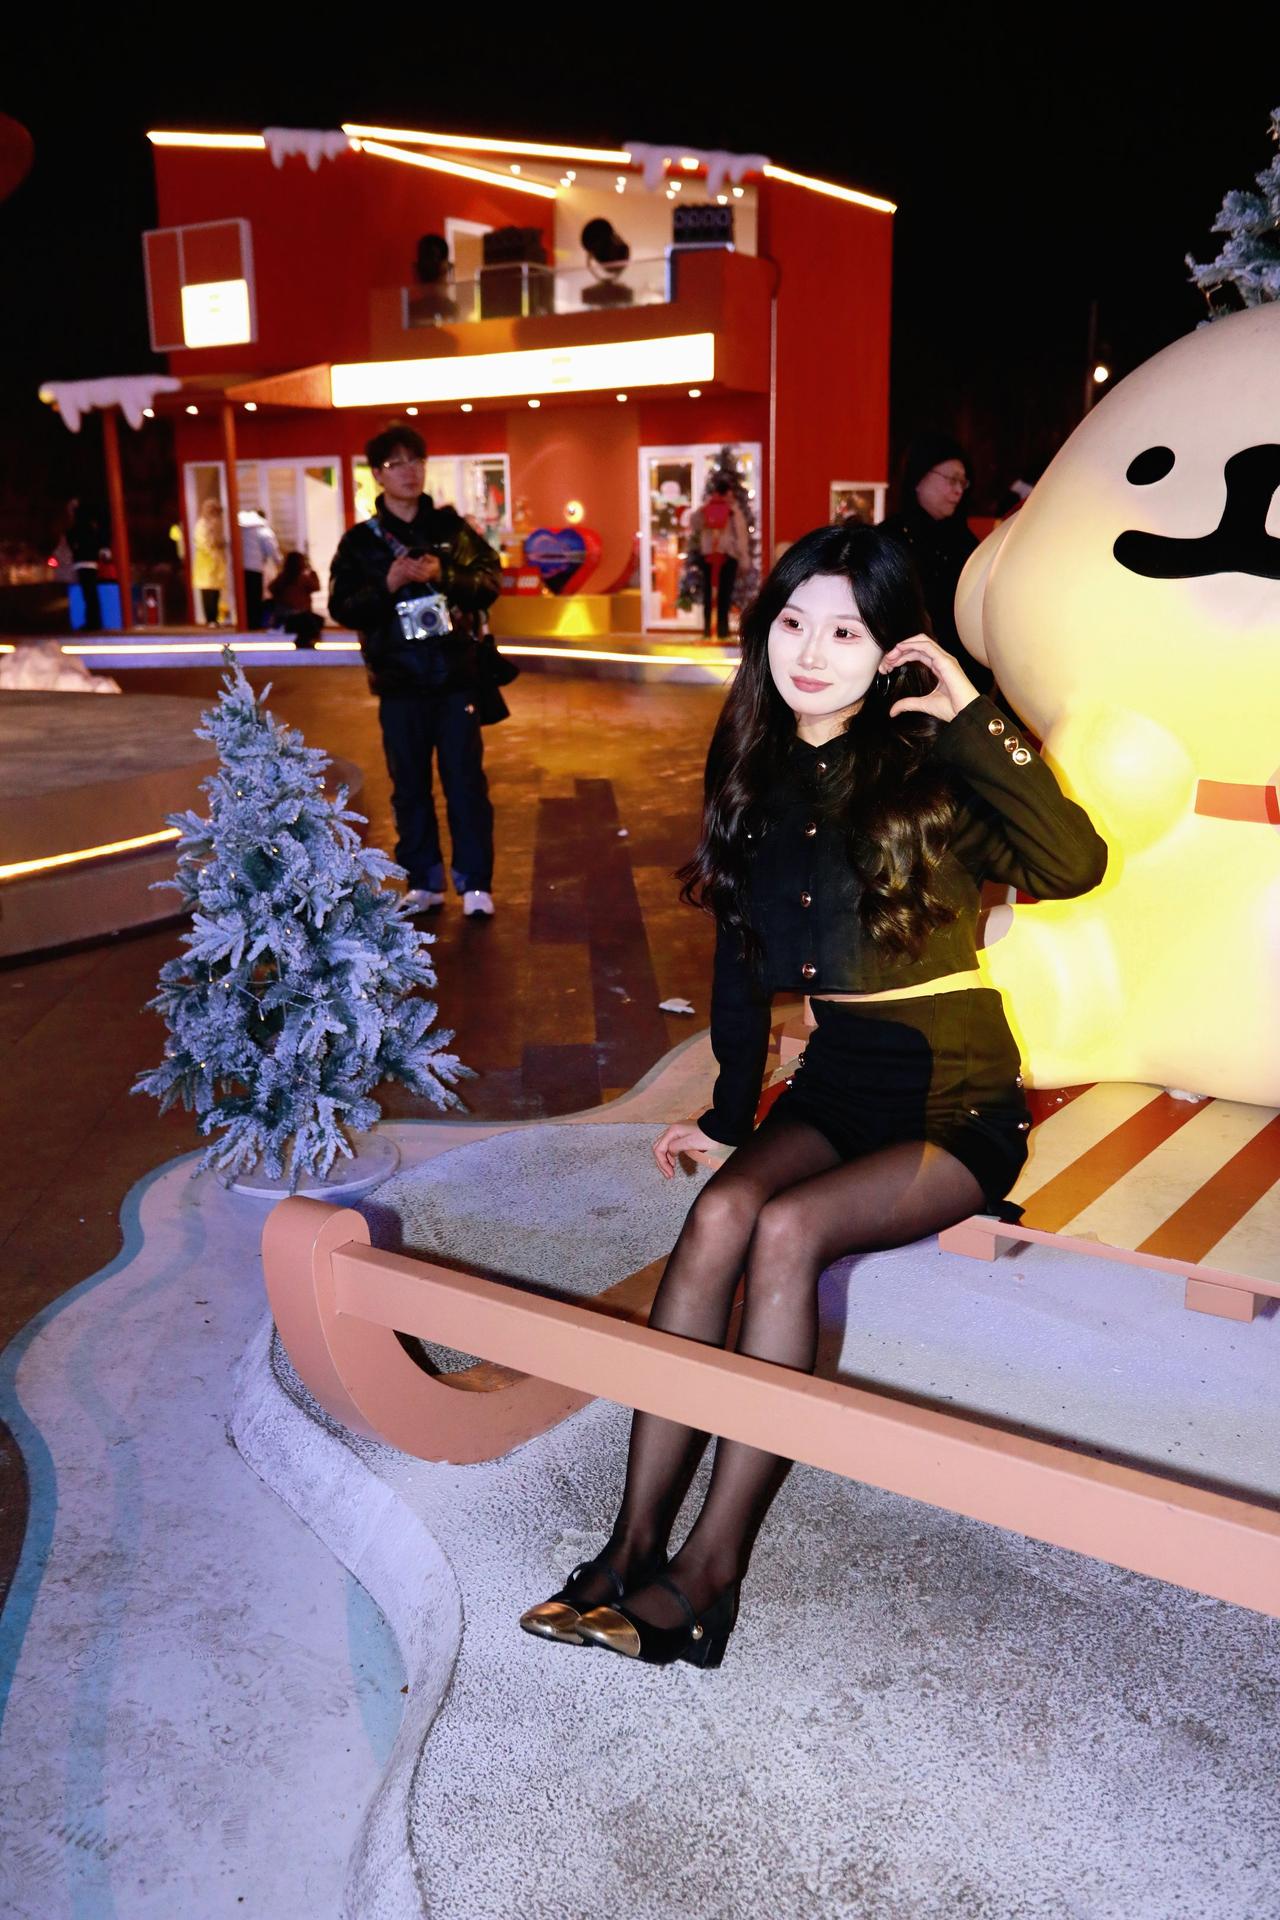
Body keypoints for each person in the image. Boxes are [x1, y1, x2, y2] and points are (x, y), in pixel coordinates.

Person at [520, 522, 1107, 1669]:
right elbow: (739, 960)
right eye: (791, 622)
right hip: (838, 1080)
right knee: (720, 1217)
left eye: (844, 631)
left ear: (888, 648)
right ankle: (629, 1547)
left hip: (954, 1097)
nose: (809, 650)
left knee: (786, 1231)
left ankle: (708, 1578)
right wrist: (728, 1116)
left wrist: (968, 711)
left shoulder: (930, 764)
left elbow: (1070, 863)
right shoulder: (754, 769)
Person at [329, 423, 503, 917]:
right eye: (395, 463)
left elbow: (490, 581)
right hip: (399, 683)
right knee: (408, 786)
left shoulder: (451, 531)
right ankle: (424, 882)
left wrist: (444, 574)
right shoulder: (360, 543)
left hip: (455, 678)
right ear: (378, 475)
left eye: (415, 461)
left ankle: (475, 885)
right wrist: (386, 584)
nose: (408, 471)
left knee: (465, 783)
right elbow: (342, 606)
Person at [880, 434, 990, 691]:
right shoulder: (888, 539)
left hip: (963, 676)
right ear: (919, 478)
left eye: (963, 482)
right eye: (952, 479)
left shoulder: (965, 541)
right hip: (905, 675)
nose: (958, 491)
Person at [690, 474, 751, 639]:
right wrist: (743, 557)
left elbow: (740, 536)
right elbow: (741, 536)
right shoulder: (717, 509)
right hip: (716, 556)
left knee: (719, 594)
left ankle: (716, 630)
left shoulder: (731, 512)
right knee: (718, 595)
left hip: (722, 556)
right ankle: (713, 630)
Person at [266, 550, 323, 647]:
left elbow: (271, 588)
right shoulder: (302, 578)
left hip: (285, 617)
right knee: (312, 620)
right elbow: (316, 587)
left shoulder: (283, 577)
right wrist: (312, 572)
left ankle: (304, 641)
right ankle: (306, 642)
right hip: (292, 617)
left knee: (314, 620)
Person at [238, 507, 282, 629]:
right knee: (255, 596)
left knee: (246, 597)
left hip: (241, 567)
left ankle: (246, 622)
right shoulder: (263, 530)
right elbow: (271, 548)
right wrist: (279, 561)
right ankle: (255, 623)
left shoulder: (241, 529)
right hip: (255, 566)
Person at [66, 497, 106, 631]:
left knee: (89, 594)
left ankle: (93, 622)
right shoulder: (91, 527)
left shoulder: (77, 528)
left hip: (83, 562)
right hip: (91, 562)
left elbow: (71, 540)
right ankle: (94, 621)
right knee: (91, 594)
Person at [193, 499, 227, 626]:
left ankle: (215, 618)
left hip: (216, 562)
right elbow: (201, 542)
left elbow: (221, 541)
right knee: (207, 591)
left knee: (215, 591)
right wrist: (211, 551)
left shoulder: (216, 525)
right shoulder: (201, 525)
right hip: (205, 562)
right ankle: (210, 618)